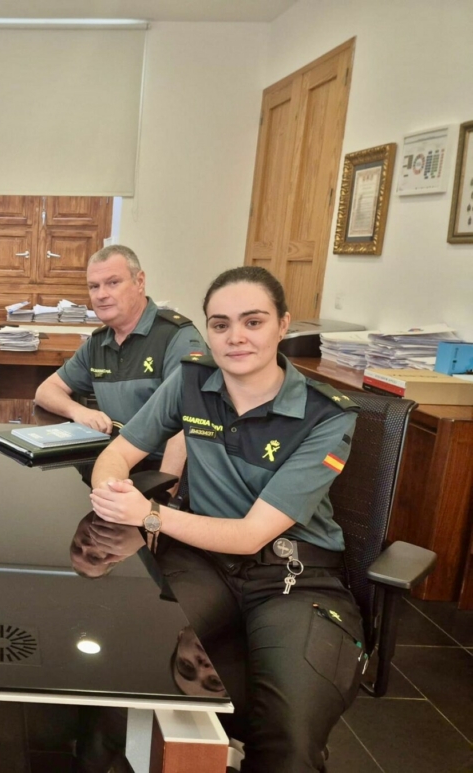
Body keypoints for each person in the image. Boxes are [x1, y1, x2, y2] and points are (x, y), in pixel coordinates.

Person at [88, 266, 363, 773]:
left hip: (293, 577)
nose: (235, 337)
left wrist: (150, 515)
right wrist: (112, 490)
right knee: (123, 672)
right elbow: (119, 453)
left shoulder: (326, 415)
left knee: (288, 738)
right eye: (220, 324)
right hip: (202, 562)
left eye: (253, 322)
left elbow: (252, 534)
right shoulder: (192, 380)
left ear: (283, 325)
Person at [34, 245, 207, 475]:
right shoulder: (98, 342)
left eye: (113, 283)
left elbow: (189, 424)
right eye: (94, 286)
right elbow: (46, 391)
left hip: (161, 469)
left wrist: (165, 490)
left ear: (139, 281)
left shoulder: (176, 337)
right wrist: (80, 412)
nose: (101, 295)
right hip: (115, 461)